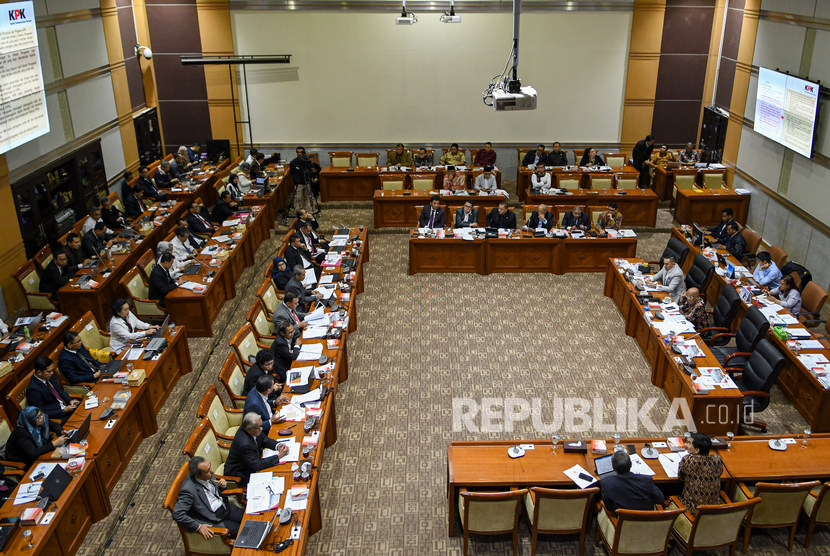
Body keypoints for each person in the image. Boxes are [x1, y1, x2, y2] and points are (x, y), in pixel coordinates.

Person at [172, 456, 244, 540]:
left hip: (224, 507)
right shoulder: (188, 491)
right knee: (244, 531)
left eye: (210, 466)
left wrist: (223, 486)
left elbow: (215, 491)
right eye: (207, 471)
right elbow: (177, 514)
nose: (212, 471)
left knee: (249, 517)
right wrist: (198, 527)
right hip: (213, 518)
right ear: (198, 476)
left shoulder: (208, 474)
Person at [223, 412, 289, 486]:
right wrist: (279, 456)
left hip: (251, 462)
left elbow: (263, 438)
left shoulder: (251, 428)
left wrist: (278, 445)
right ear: (249, 429)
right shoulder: (245, 444)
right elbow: (257, 465)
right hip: (241, 474)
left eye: (261, 425)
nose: (262, 428)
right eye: (259, 427)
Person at [600, 451, 666, 515]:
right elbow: (660, 500)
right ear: (631, 464)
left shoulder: (607, 483)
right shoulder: (646, 480)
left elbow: (609, 507)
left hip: (623, 523)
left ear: (613, 467)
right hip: (647, 521)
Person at [677, 433, 723, 516]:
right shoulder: (717, 459)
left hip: (692, 510)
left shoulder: (688, 460)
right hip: (713, 509)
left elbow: (681, 477)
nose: (687, 444)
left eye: (690, 443)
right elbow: (720, 472)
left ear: (697, 450)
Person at [26, 356, 80, 421]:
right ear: (39, 372)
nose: (52, 373)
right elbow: (41, 413)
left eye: (52, 370)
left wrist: (70, 400)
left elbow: (60, 391)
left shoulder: (50, 376)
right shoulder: (33, 390)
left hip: (67, 407)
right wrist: (63, 411)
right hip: (58, 417)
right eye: (48, 371)